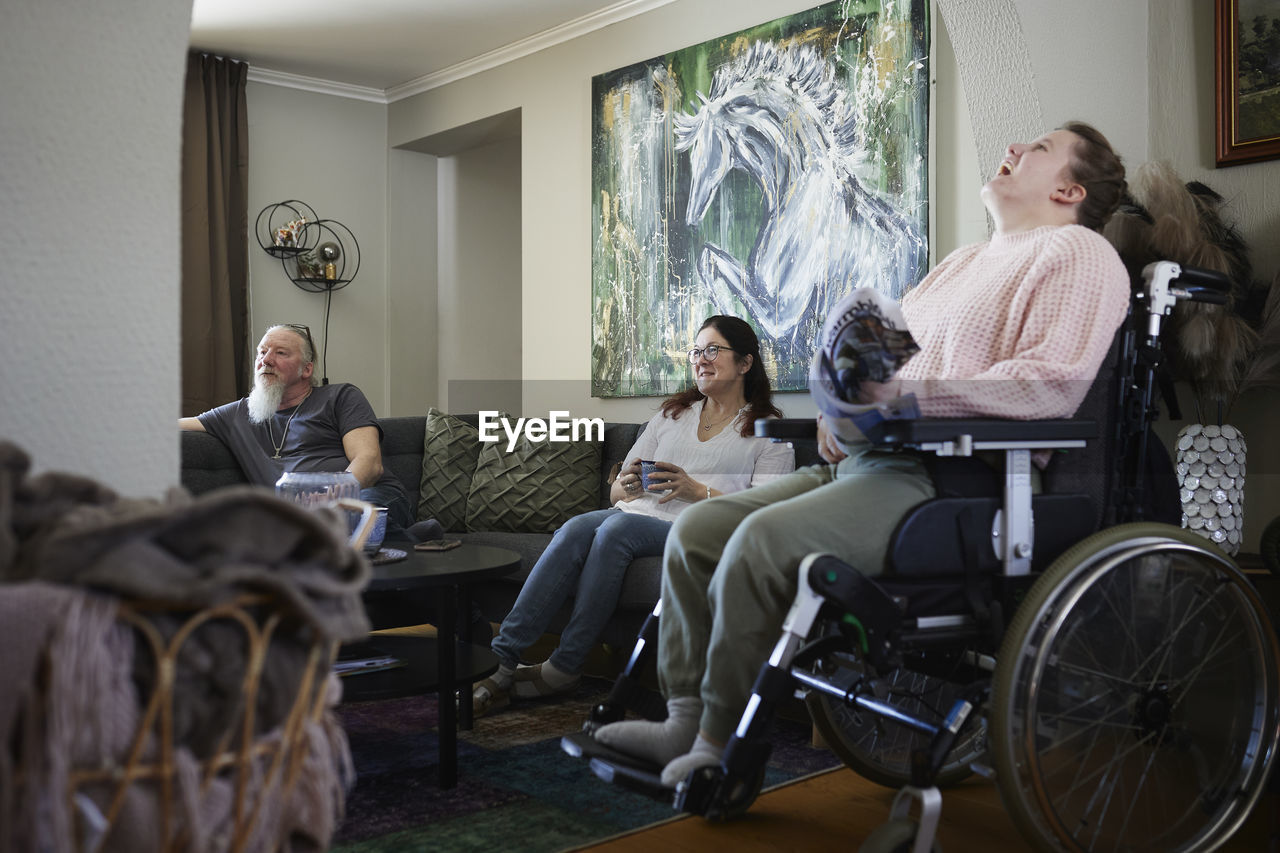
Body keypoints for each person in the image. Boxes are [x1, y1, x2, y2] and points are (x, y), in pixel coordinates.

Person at [593, 121, 1132, 785]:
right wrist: (839, 402)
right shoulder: (962, 263)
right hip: (868, 461)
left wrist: (898, 400)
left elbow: (1048, 384)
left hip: (951, 476)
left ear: (1069, 189)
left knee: (758, 543)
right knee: (698, 532)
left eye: (1041, 149)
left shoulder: (1079, 253)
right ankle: (682, 715)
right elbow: (880, 358)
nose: (1014, 146)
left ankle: (713, 745)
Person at [471, 315, 796, 716]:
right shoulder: (672, 415)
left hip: (697, 526)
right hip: (633, 513)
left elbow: (765, 513)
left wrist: (697, 491)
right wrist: (628, 485)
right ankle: (501, 661)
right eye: (696, 351)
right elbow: (616, 491)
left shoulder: (768, 431)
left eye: (714, 350)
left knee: (616, 529)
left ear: (745, 363)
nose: (701, 360)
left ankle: (564, 666)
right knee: (576, 527)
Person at [179, 323, 414, 535]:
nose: (266, 360)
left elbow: (370, 463)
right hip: (296, 519)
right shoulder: (238, 413)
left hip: (367, 495)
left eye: (280, 353)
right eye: (262, 352)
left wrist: (329, 499)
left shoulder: (340, 396)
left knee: (352, 517)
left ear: (307, 370)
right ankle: (410, 538)